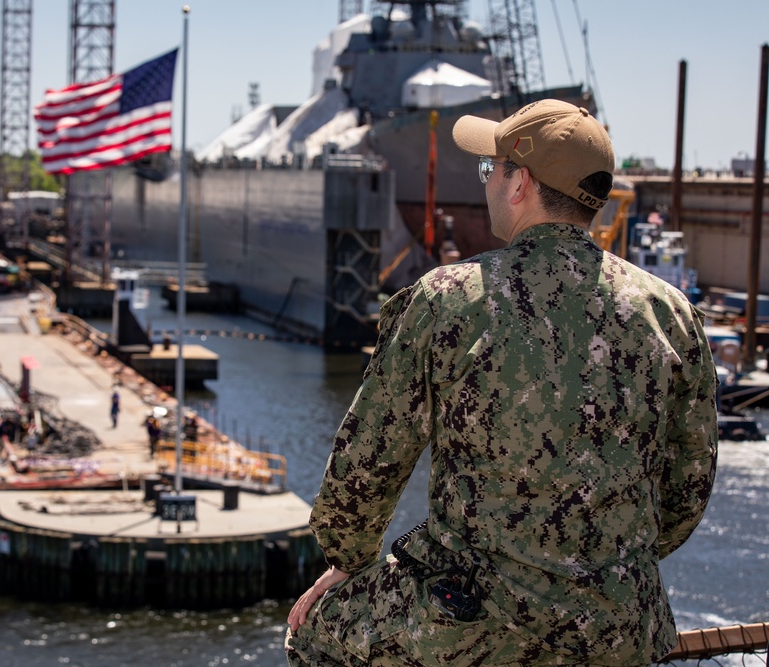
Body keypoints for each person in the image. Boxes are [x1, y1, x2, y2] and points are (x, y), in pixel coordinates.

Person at [285, 100, 718, 666]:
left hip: (472, 621)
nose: (487, 182)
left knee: (314, 632)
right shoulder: (671, 312)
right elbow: (688, 488)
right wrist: (601, 573)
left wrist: (347, 558)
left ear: (521, 185)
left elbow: (363, 470)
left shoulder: (448, 300)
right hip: (621, 626)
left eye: (492, 170)